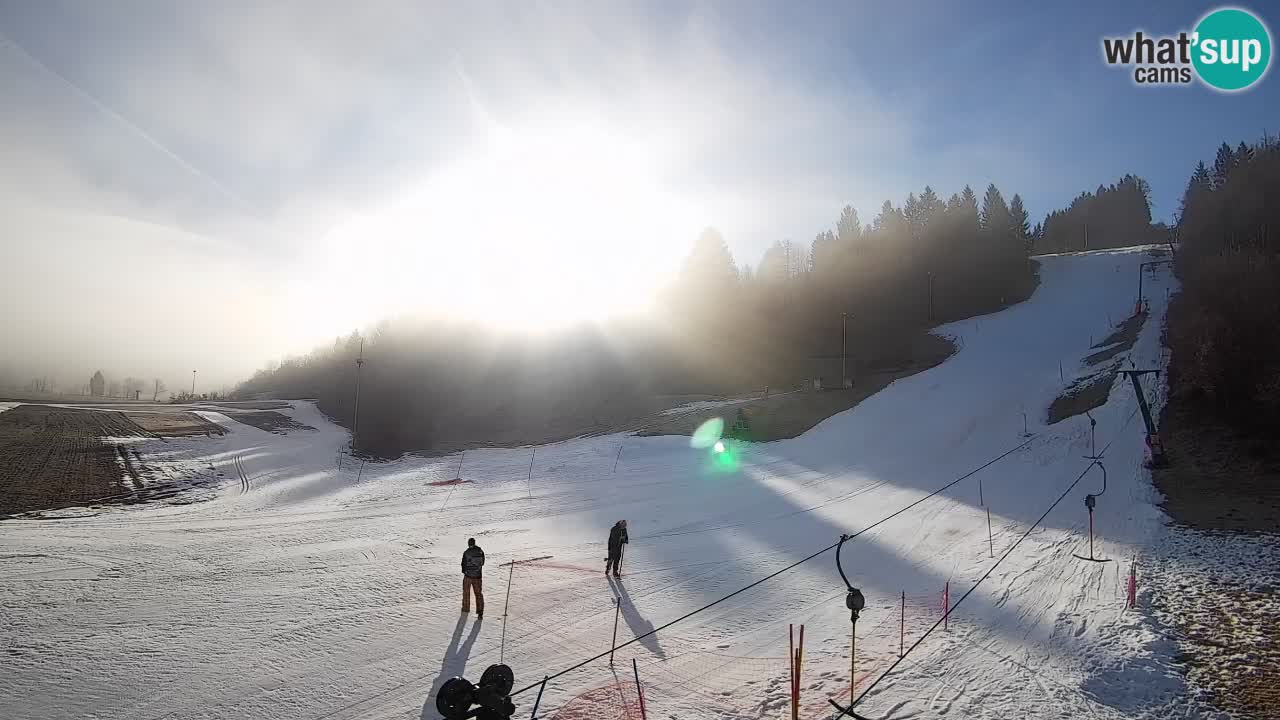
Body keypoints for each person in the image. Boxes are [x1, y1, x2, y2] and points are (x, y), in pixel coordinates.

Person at [461, 537, 485, 616]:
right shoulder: (480, 551)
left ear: (468, 544)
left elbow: (463, 564)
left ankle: (466, 608)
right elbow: (483, 563)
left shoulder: (466, 552)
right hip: (478, 576)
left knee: (466, 593)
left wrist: (465, 571)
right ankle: (480, 611)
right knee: (478, 594)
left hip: (468, 576)